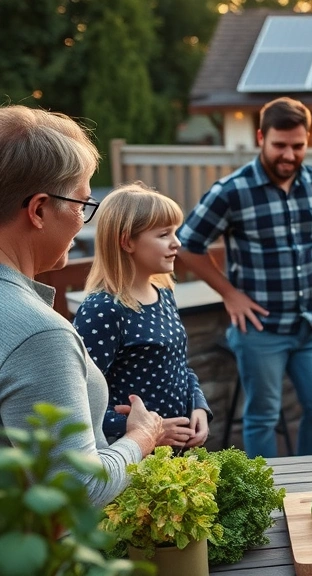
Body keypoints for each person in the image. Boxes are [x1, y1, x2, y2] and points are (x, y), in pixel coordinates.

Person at [0, 105, 163, 506]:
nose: (82, 221)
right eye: (81, 205)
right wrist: (142, 438)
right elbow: (76, 493)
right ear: (38, 209)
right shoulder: (39, 334)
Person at [176, 97, 312, 458]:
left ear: (307, 140)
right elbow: (186, 246)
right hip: (260, 328)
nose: (289, 154)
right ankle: (265, 500)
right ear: (260, 137)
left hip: (311, 323)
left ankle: (309, 483)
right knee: (263, 416)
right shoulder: (231, 191)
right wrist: (229, 294)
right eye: (279, 145)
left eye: (298, 146)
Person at [73, 183, 212, 450]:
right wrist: (144, 431)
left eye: (175, 232)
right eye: (163, 235)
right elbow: (78, 400)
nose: (177, 243)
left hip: (178, 458)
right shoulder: (103, 309)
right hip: (132, 461)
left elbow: (180, 368)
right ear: (127, 241)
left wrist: (199, 407)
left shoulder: (164, 294)